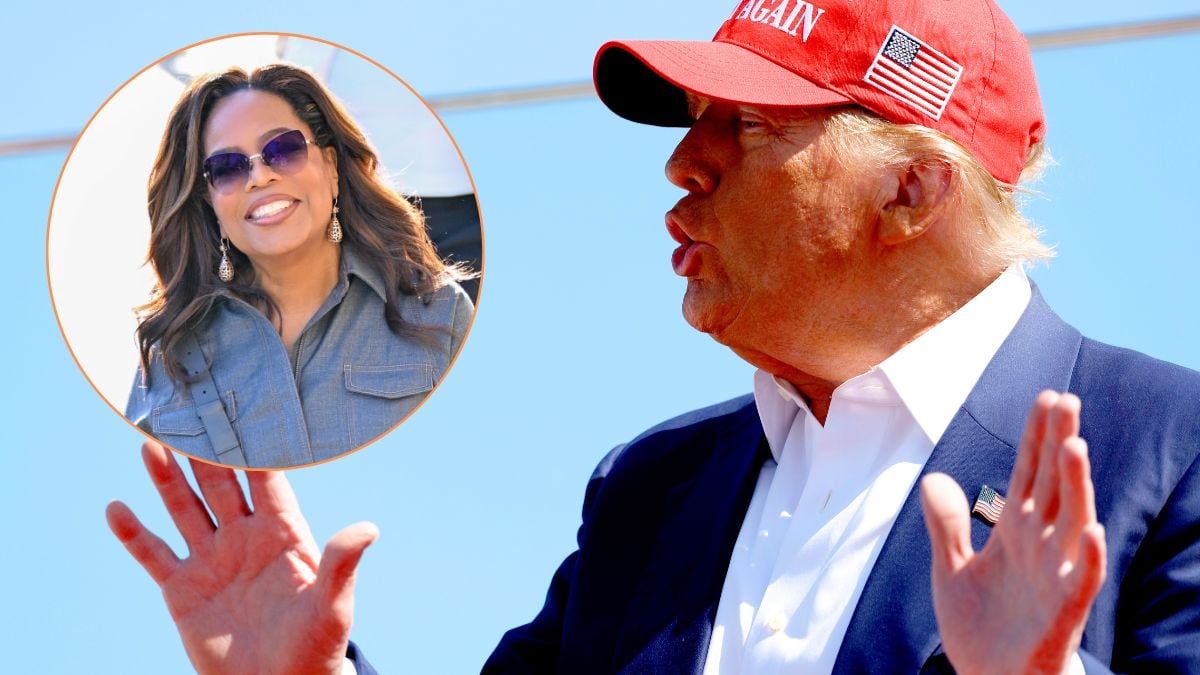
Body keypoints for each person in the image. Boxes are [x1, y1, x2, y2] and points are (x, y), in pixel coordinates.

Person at [108, 0, 1200, 672]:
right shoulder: (650, 490)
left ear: (913, 189)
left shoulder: (1170, 448)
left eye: (751, 124)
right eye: (695, 123)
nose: (686, 163)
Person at [124, 64, 475, 469]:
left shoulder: (439, 312)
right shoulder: (166, 355)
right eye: (227, 167)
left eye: (284, 149)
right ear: (210, 202)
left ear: (330, 164)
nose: (259, 176)